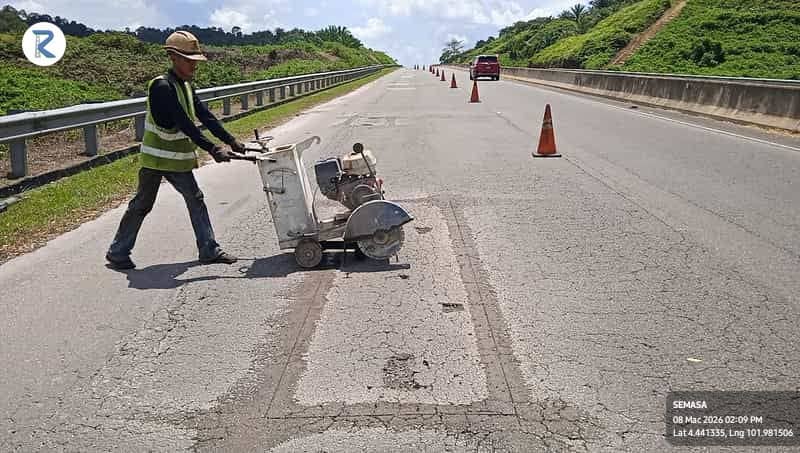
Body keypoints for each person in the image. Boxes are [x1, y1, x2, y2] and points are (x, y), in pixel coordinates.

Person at [106, 31, 245, 270]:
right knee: (142, 204)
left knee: (194, 199)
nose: (194, 65)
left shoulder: (186, 86)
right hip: (155, 159)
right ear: (173, 57)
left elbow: (206, 116)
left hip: (174, 159)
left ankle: (208, 249)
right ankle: (118, 252)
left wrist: (231, 141)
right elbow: (184, 123)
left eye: (195, 60)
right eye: (189, 60)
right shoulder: (162, 86)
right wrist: (213, 149)